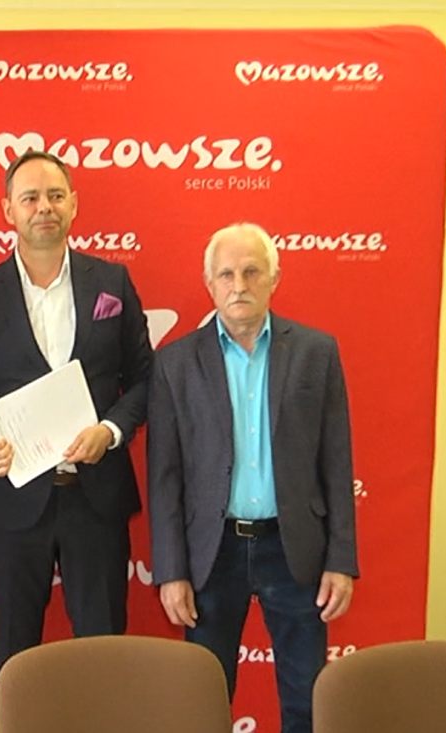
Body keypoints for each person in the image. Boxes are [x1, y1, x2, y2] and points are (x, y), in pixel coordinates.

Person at [0, 150, 153, 718]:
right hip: (13, 503)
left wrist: (111, 430)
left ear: (73, 205)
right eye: (31, 198)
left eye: (55, 196)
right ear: (8, 210)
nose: (44, 207)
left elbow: (144, 380)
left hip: (96, 498)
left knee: (103, 654)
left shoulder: (112, 282)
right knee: (14, 658)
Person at [147, 222, 358, 733]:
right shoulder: (175, 363)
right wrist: (171, 571)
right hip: (211, 553)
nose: (238, 285)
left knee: (306, 700)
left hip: (294, 549)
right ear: (209, 284)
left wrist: (341, 559)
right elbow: (165, 477)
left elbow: (336, 461)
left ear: (274, 279)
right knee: (204, 701)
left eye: (251, 272)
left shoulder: (316, 353)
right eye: (226, 274)